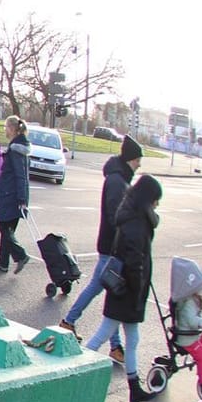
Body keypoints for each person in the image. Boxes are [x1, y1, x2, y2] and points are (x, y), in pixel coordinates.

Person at [81, 175, 163, 402]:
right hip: (127, 290)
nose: (157, 204)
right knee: (102, 334)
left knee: (132, 339)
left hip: (123, 287)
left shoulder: (131, 214)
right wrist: (138, 292)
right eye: (156, 200)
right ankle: (76, 373)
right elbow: (136, 261)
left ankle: (134, 387)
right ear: (149, 199)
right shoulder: (138, 223)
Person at [62, 135, 144, 361]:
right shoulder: (118, 181)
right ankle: (69, 321)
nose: (139, 164)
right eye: (138, 160)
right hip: (112, 247)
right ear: (130, 159)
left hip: (111, 246)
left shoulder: (119, 178)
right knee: (102, 289)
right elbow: (116, 215)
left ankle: (113, 345)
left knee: (107, 291)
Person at [169, 257, 202, 401]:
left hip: (190, 335)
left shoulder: (193, 301)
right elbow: (192, 320)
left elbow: (197, 315)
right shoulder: (188, 304)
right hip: (186, 338)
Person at [0, 117, 31, 272]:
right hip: (14, 193)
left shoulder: (15, 150)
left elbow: (20, 175)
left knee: (4, 227)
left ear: (13, 129)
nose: (4, 129)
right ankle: (3, 262)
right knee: (8, 228)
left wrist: (21, 198)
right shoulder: (20, 147)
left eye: (6, 126)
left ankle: (20, 255)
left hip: (11, 194)